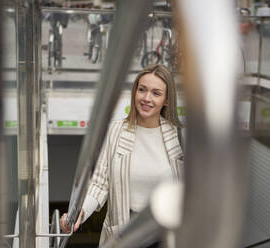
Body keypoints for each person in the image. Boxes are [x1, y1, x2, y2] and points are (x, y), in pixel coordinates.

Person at [60, 64, 184, 247]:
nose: (147, 98)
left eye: (156, 93)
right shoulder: (115, 131)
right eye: (142, 90)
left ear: (166, 99)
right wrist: (80, 211)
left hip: (166, 235)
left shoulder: (180, 136)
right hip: (125, 234)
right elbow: (100, 183)